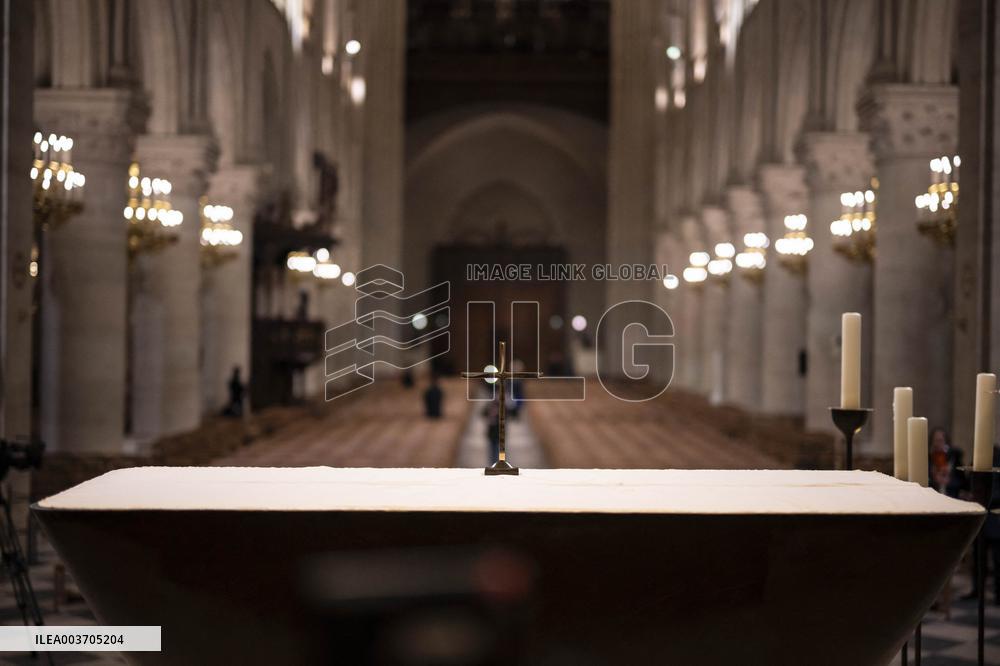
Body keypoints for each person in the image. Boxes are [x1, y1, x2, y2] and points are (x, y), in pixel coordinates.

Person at [929, 427, 963, 498]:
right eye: (936, 441)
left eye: (940, 440)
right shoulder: (929, 458)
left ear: (945, 441)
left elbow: (961, 480)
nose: (938, 444)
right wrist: (934, 479)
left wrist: (949, 481)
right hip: (932, 495)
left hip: (951, 494)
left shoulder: (954, 457)